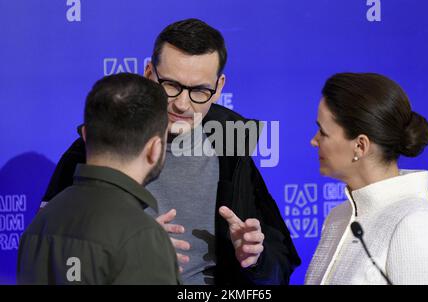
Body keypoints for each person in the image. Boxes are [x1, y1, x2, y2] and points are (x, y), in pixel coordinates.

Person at [38, 18, 300, 285]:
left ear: (219, 87)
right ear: (149, 73)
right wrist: (126, 252)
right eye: (171, 86)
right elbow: (52, 254)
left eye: (200, 90)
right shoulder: (100, 141)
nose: (182, 104)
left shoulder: (232, 142)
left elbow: (280, 264)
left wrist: (256, 259)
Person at [18, 73, 180, 285]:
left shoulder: (38, 225)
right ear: (155, 148)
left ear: (85, 135)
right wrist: (142, 242)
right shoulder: (141, 236)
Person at [305, 72, 428, 285]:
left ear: (360, 146)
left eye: (323, 132)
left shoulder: (417, 224)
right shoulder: (337, 217)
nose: (314, 141)